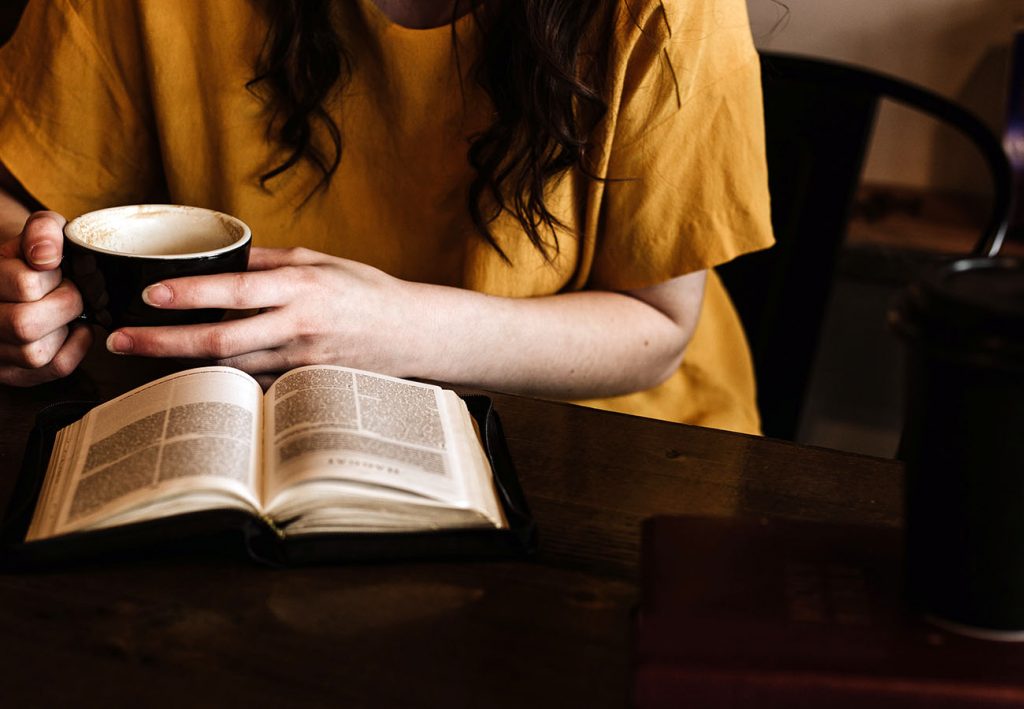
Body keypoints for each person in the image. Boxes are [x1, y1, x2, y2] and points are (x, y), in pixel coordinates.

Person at [0, 0, 772, 433]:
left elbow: (658, 329)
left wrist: (389, 330)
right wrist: (17, 273)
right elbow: (26, 193)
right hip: (228, 426)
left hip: (589, 431)